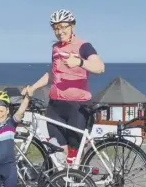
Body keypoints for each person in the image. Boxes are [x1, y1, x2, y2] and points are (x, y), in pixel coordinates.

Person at [23, 9, 104, 163]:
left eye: (64, 27)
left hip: (77, 106)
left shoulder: (84, 46)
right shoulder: (56, 49)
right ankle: (59, 185)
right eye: (56, 28)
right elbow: (52, 74)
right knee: (58, 152)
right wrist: (33, 87)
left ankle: (76, 185)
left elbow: (100, 67)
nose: (60, 32)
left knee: (74, 156)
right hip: (55, 107)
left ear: (72, 26)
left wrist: (79, 62)